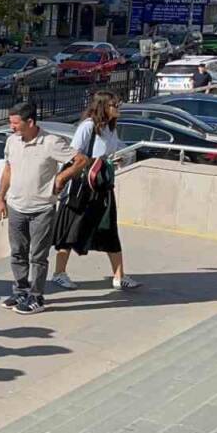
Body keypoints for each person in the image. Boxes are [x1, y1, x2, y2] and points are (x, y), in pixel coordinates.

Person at [0, 102, 88, 315]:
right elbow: (8, 170)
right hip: (16, 206)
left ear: (30, 122)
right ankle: (21, 291)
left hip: (42, 209)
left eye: (15, 123)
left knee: (38, 256)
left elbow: (81, 160)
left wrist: (62, 177)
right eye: (10, 123)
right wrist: (0, 198)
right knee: (17, 253)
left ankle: (36, 297)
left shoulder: (51, 142)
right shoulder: (12, 141)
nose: (12, 127)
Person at [51, 91, 141, 292]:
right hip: (83, 187)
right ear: (103, 107)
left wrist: (112, 160)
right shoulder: (88, 126)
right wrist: (96, 161)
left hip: (102, 186)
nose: (118, 108)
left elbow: (109, 152)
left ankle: (119, 276)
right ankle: (59, 273)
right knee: (71, 229)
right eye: (115, 105)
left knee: (109, 230)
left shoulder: (111, 127)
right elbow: (74, 155)